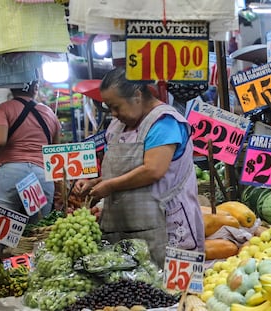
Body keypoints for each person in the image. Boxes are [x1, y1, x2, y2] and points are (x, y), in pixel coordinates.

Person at [75, 67, 205, 268]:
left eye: (116, 106)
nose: (114, 114)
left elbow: (152, 170)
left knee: (174, 293)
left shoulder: (165, 122)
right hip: (126, 229)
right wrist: (95, 182)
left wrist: (109, 187)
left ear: (137, 95)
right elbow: (124, 170)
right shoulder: (117, 126)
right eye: (109, 108)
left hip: (167, 225)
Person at [0, 79, 61, 261]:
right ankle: (35, 279)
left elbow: (0, 140)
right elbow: (55, 157)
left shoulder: (5, 108)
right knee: (37, 233)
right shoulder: (50, 114)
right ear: (36, 88)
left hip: (10, 173)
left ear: (11, 87)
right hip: (41, 176)